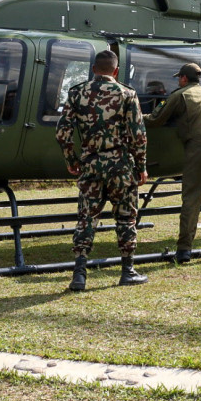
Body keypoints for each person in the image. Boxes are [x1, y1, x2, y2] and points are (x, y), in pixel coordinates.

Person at [55, 50, 149, 292]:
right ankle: (127, 271)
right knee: (126, 218)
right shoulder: (127, 94)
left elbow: (62, 133)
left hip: (90, 165)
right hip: (121, 167)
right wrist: (141, 167)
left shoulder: (77, 93)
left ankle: (79, 275)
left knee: (86, 218)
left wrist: (72, 160)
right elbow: (138, 135)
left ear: (94, 69)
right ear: (116, 71)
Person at [144, 62, 201, 263]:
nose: (178, 81)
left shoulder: (180, 95)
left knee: (191, 197)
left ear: (183, 78)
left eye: (179, 78)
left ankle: (184, 250)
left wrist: (133, 116)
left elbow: (155, 120)